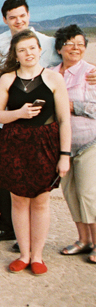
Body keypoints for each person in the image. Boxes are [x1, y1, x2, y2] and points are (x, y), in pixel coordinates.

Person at [0, 0, 58, 245]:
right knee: (3, 171)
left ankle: (31, 234)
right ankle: (6, 226)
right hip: (2, 118)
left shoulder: (47, 43)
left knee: (35, 174)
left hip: (38, 123)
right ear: (5, 19)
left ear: (29, 15)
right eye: (12, 17)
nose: (18, 21)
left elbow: (69, 58)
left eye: (22, 15)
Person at [0, 29, 71, 275]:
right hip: (14, 143)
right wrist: (19, 114)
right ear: (15, 54)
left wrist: (64, 156)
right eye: (22, 50)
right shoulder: (7, 79)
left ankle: (38, 256)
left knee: (41, 199)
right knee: (18, 199)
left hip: (45, 143)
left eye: (32, 48)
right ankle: (24, 255)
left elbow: (64, 120)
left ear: (40, 49)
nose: (28, 54)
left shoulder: (54, 79)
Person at [50, 25, 96, 262]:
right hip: (62, 146)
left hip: (90, 141)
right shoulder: (50, 73)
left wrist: (73, 106)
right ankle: (83, 240)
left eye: (80, 43)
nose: (76, 48)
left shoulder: (92, 73)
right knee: (70, 193)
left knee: (88, 193)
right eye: (70, 43)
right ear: (59, 48)